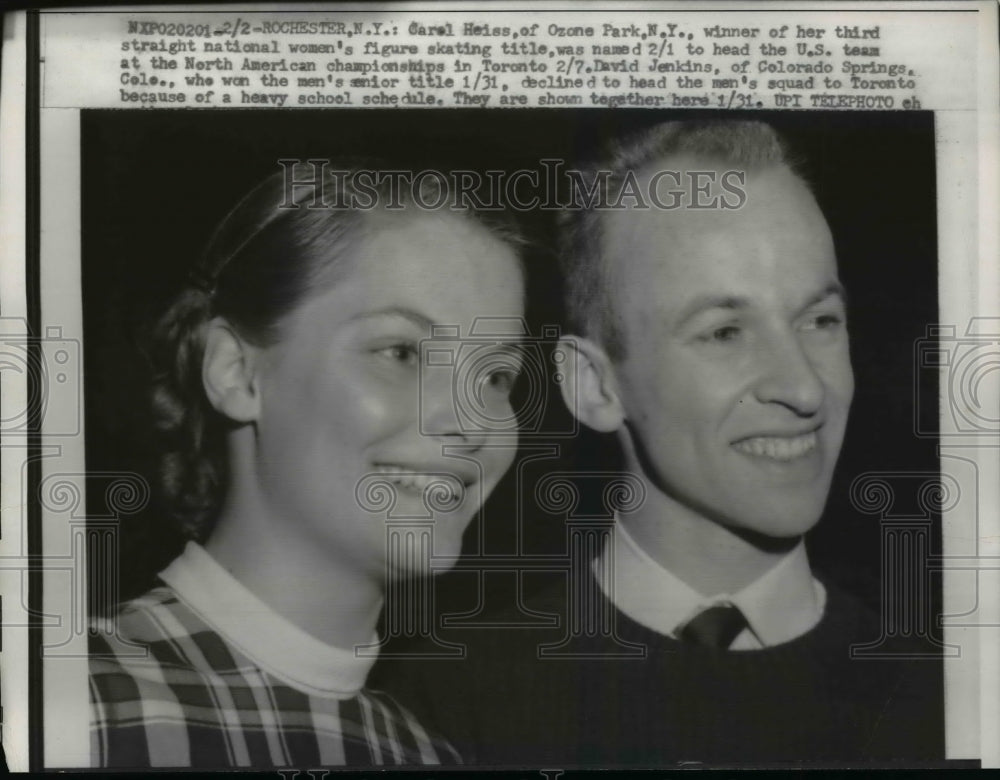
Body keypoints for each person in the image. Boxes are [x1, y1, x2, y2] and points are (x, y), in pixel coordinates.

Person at [378, 120, 944, 765]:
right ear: (594, 385)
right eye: (725, 332)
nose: (805, 389)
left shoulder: (947, 698)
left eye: (820, 321)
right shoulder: (441, 708)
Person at [88, 163, 527, 768]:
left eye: (498, 376)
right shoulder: (79, 704)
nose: (473, 423)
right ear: (236, 373)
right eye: (401, 351)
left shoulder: (429, 754)